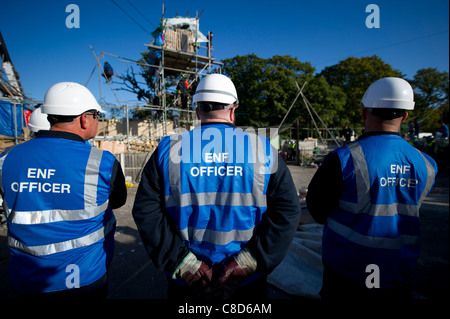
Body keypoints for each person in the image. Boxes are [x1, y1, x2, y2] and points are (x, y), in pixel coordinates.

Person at [132, 74, 301, 300]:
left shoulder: (167, 149)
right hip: (244, 281)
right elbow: (288, 210)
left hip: (189, 282)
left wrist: (184, 263)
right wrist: (249, 261)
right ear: (232, 110)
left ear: (197, 111)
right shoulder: (263, 149)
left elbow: (146, 212)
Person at [306, 77, 437, 300]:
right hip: (398, 269)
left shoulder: (344, 159)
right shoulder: (427, 164)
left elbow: (317, 212)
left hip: (347, 270)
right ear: (405, 115)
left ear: (364, 112)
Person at [0, 82, 127, 299]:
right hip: (83, 276)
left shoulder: (6, 158)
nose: (98, 121)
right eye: (97, 115)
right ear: (84, 118)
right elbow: (117, 202)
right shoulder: (101, 162)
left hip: (26, 277)